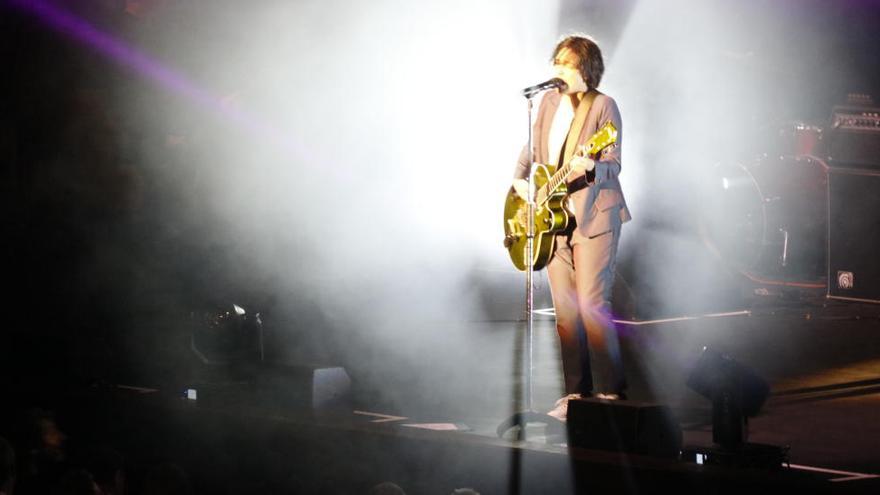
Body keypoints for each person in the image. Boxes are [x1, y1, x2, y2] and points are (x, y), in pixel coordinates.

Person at [511, 34, 632, 420]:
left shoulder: (604, 107)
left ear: (586, 70)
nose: (558, 69)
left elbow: (613, 163)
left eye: (567, 63)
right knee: (565, 313)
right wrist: (520, 180)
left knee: (592, 305)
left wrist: (592, 166)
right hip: (553, 221)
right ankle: (575, 395)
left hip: (594, 216)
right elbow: (531, 150)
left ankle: (611, 392)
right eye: (556, 62)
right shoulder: (546, 102)